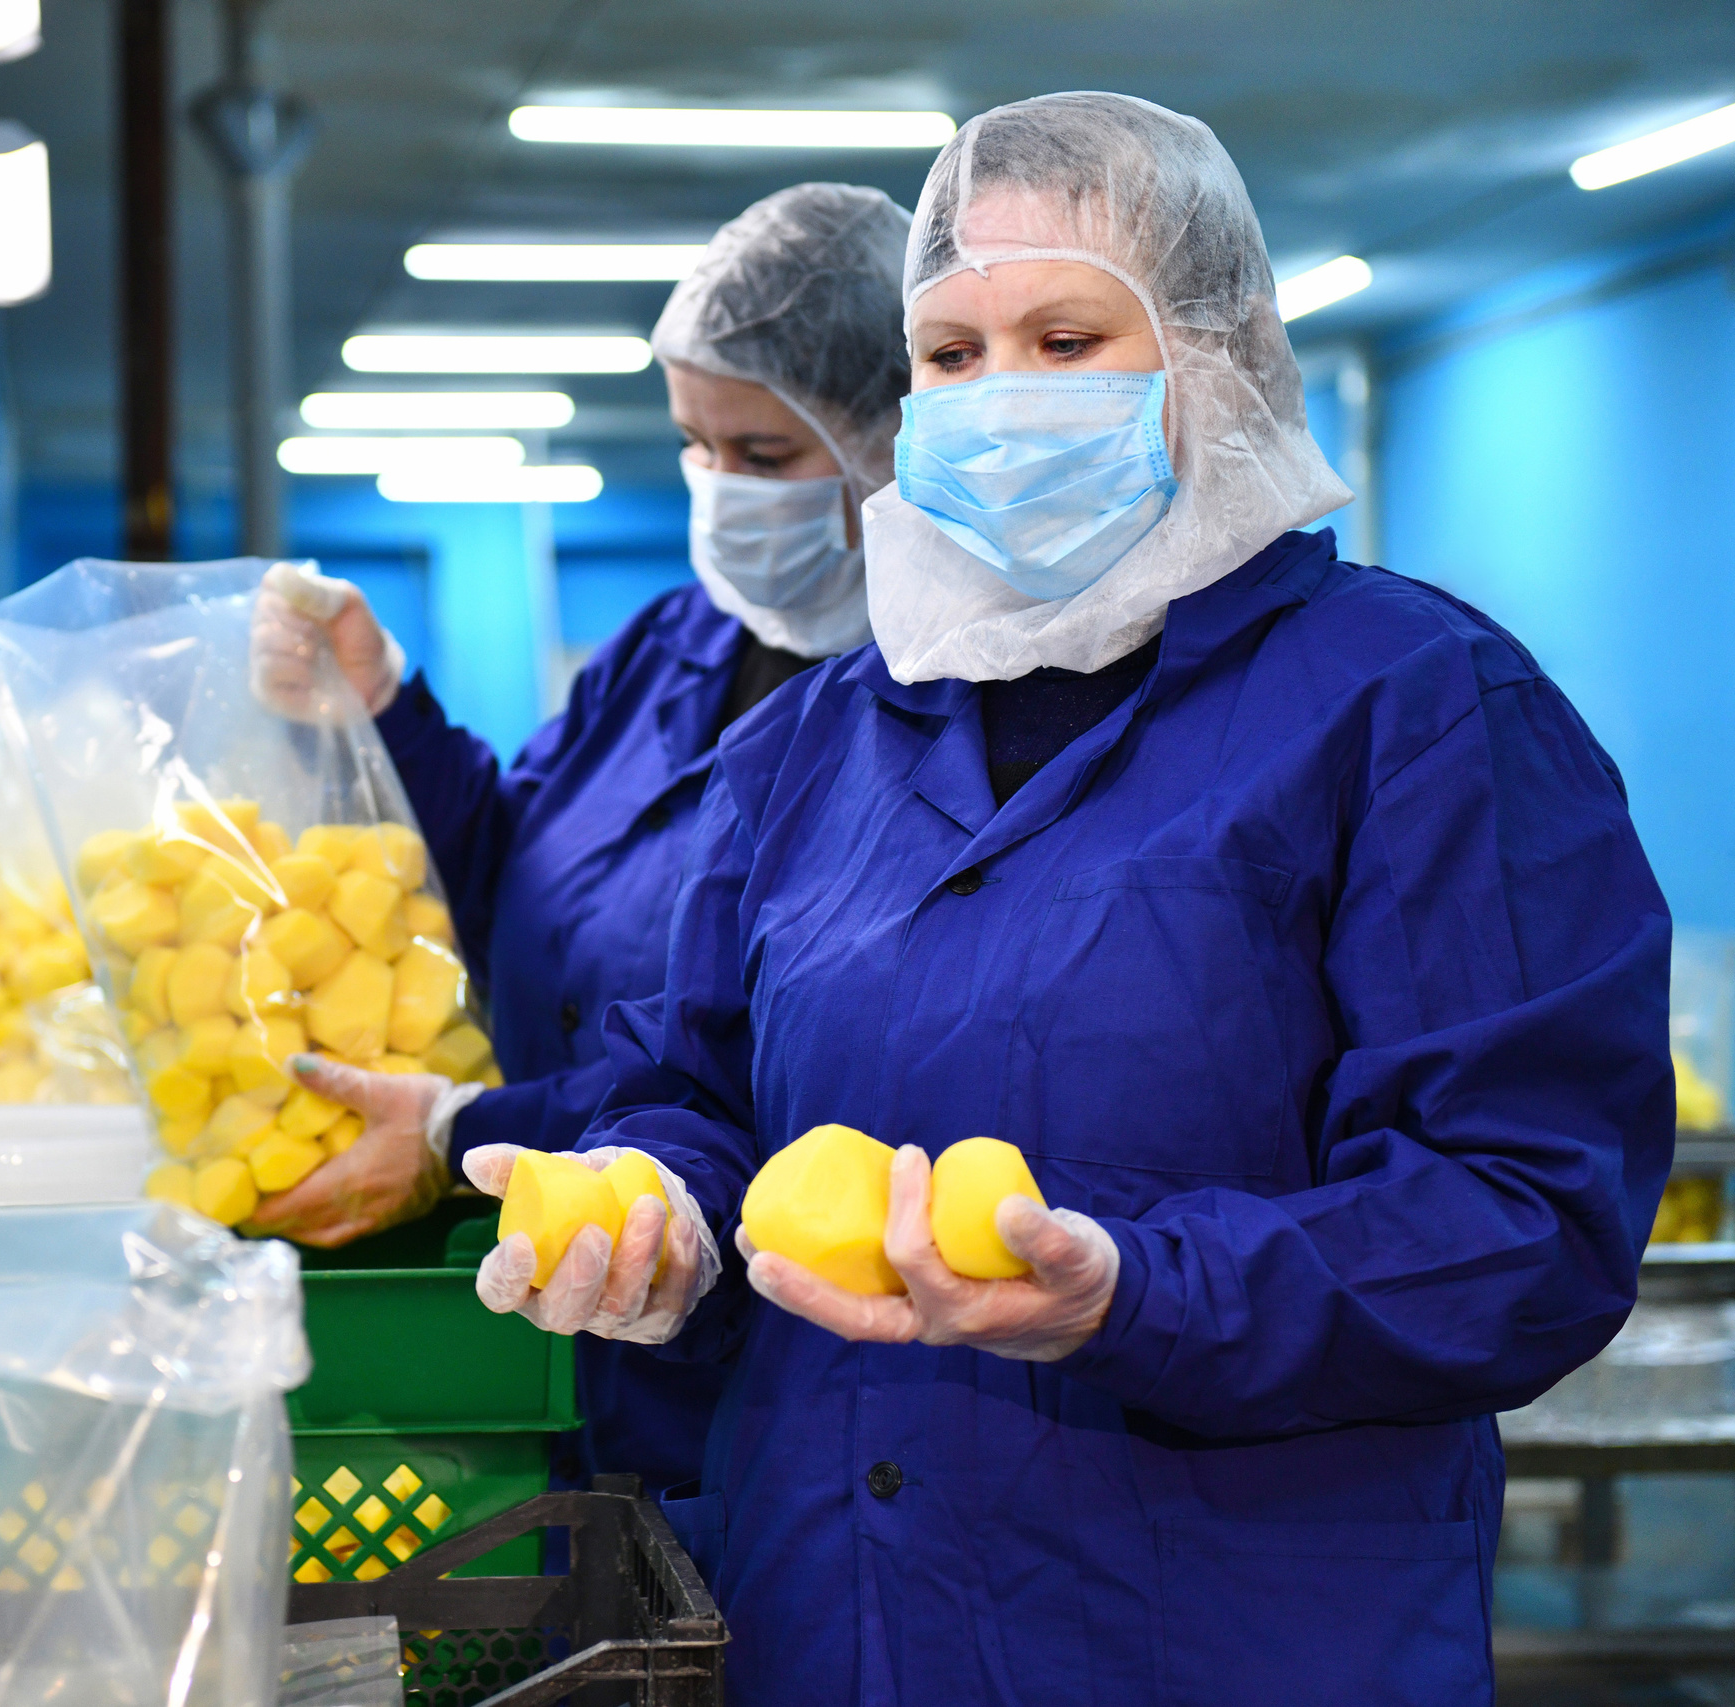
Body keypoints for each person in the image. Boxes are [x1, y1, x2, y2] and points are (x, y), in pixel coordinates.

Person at [466, 92, 1672, 1705]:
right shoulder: (814, 744)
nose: (1001, 398)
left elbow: (1524, 1216)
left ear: (1214, 356)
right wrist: (655, 1200)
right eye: (953, 355)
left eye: (1065, 339)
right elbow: (694, 1082)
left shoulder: (1415, 706)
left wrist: (1135, 1288)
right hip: (836, 1624)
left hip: (1228, 1640)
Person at [245, 183, 914, 1497]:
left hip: (760, 1373)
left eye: (763, 454)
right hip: (558, 1329)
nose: (720, 491)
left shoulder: (937, 706)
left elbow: (767, 1070)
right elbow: (516, 869)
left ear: (891, 436)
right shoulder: (671, 645)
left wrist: (463, 1130)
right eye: (695, 447)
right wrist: (383, 713)